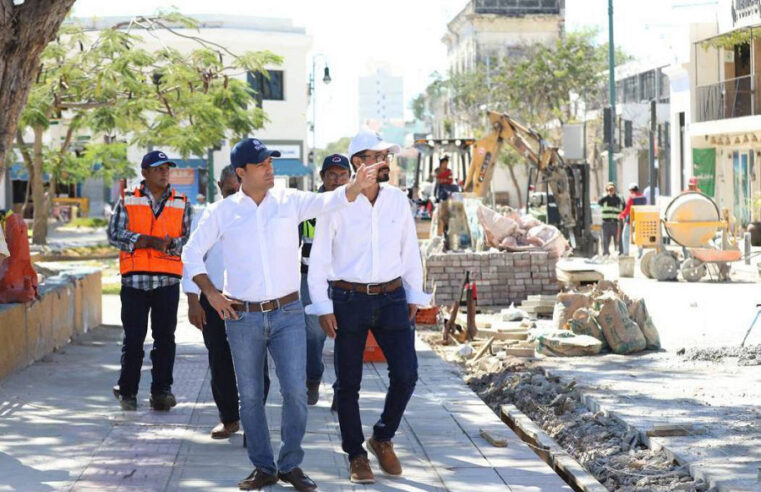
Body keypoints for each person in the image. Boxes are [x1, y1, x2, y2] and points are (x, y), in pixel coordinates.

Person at [182, 138, 377, 492]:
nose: (270, 168)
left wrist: (354, 186)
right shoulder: (222, 212)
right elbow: (191, 253)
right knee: (251, 396)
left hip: (288, 313)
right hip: (243, 318)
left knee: (296, 392)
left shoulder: (289, 201)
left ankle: (290, 465)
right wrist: (209, 293)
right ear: (241, 172)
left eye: (271, 162)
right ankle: (263, 467)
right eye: (261, 164)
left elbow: (329, 200)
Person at [306, 130, 431, 485]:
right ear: (358, 162)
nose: (386, 161)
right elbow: (319, 259)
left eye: (387, 155)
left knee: (407, 374)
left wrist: (414, 295)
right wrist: (322, 305)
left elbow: (410, 250)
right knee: (348, 383)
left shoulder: (396, 200)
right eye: (379, 155)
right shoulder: (335, 202)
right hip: (348, 300)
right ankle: (356, 455)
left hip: (392, 298)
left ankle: (382, 436)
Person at [183, 164, 271, 439]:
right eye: (231, 190)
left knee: (257, 365)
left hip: (252, 302)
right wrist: (193, 301)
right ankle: (230, 418)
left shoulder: (263, 214)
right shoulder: (209, 216)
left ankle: (254, 422)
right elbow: (192, 259)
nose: (237, 195)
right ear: (220, 187)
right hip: (215, 299)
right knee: (219, 359)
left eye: (241, 189)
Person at [108, 150, 193, 412]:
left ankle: (161, 392)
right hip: (135, 283)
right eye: (158, 168)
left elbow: (189, 237)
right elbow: (114, 234)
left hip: (167, 283)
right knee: (133, 339)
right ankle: (128, 392)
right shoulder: (127, 200)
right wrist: (143, 240)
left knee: (165, 339)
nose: (164, 172)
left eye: (166, 168)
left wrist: (171, 245)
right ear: (145, 173)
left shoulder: (182, 202)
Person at [298, 154, 351, 406]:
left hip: (346, 281)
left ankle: (342, 389)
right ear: (322, 177)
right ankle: (312, 378)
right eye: (332, 174)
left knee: (347, 334)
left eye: (342, 175)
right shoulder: (309, 205)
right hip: (310, 278)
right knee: (314, 333)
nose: (337, 180)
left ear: (349, 177)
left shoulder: (356, 204)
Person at [619, 183, 647, 256]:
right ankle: (640, 254)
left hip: (631, 220)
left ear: (631, 190)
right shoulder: (643, 197)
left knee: (625, 235)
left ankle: (626, 253)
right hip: (641, 220)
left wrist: (621, 215)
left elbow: (628, 209)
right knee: (639, 236)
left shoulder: (632, 197)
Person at [597, 182, 623, 257]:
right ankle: (606, 253)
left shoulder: (618, 199)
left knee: (618, 239)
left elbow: (622, 209)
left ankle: (620, 253)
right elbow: (599, 202)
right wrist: (607, 196)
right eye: (609, 189)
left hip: (615, 223)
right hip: (606, 222)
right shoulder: (604, 199)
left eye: (612, 189)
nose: (611, 191)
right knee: (605, 239)